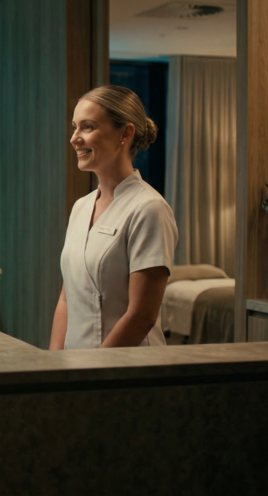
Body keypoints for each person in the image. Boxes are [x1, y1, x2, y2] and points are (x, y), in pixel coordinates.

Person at [50, 85, 178, 350]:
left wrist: (97, 373)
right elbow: (67, 298)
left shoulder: (149, 208)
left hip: (125, 371)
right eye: (75, 126)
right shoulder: (81, 207)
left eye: (87, 127)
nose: (74, 138)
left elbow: (141, 317)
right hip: (76, 368)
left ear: (125, 133)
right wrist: (53, 364)